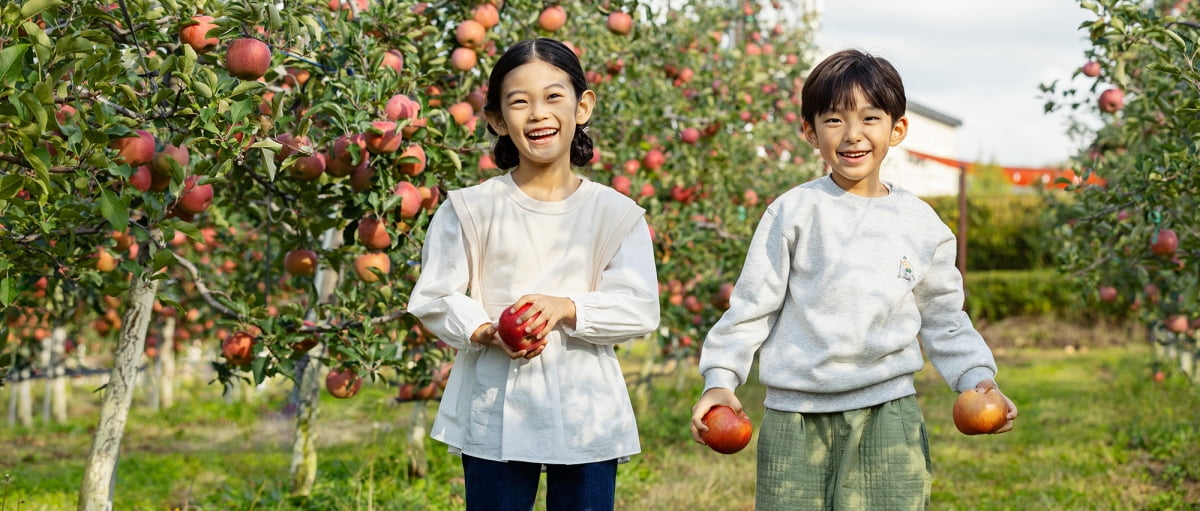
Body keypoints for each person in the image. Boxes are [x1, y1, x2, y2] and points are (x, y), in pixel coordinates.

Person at [690, 48, 1017, 511]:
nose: (852, 134)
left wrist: (978, 378)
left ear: (897, 129)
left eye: (870, 118)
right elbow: (751, 308)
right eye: (834, 120)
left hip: (887, 412)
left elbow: (945, 318)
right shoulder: (791, 213)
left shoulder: (921, 225)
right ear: (810, 131)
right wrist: (721, 379)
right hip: (795, 415)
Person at [407, 37, 660, 511]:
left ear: (583, 106)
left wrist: (566, 307)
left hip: (586, 409)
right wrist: (485, 330)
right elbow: (435, 295)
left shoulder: (615, 213)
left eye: (553, 97)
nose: (538, 113)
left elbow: (640, 308)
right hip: (496, 409)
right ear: (498, 120)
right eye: (519, 102)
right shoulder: (471, 208)